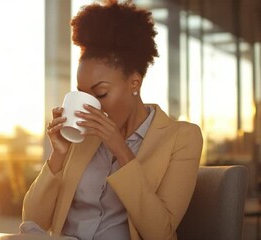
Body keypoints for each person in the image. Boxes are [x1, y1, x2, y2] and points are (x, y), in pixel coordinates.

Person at [20, 1, 203, 239]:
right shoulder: (82, 137)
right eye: (83, 94)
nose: (90, 105)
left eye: (101, 93)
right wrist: (58, 155)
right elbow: (33, 221)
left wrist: (120, 147)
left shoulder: (181, 137)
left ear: (134, 83)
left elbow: (160, 233)